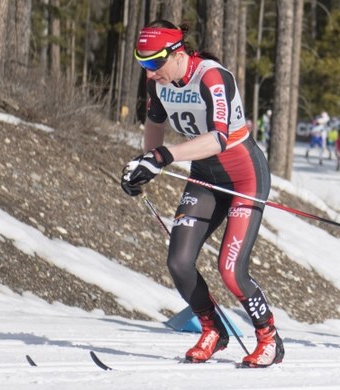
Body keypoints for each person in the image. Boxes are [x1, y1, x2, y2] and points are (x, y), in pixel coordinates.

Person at [119, 20, 283, 368]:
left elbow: (219, 139)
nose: (149, 71)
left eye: (153, 63)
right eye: (142, 62)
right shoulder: (158, 83)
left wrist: (163, 157)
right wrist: (145, 165)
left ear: (176, 53)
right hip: (205, 177)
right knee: (178, 263)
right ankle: (213, 331)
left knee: (230, 269)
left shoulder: (212, 76)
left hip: (245, 179)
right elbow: (155, 126)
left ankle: (269, 337)